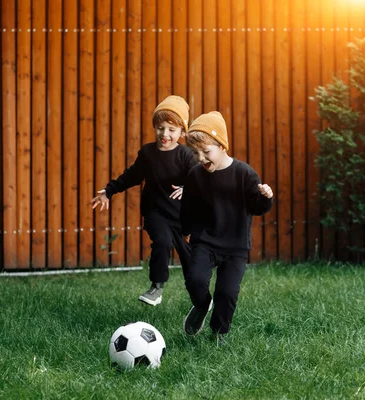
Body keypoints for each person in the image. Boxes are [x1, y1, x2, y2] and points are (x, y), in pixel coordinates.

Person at [90, 95, 197, 306]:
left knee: (190, 259)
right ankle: (156, 288)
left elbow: (199, 179)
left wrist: (188, 188)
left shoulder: (185, 156)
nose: (164, 134)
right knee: (162, 241)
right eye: (160, 127)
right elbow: (132, 176)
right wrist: (108, 191)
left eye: (171, 130)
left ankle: (199, 296)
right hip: (155, 212)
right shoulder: (147, 153)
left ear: (182, 133)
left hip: (182, 216)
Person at [180, 111, 274, 345]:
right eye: (195, 153)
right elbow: (188, 206)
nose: (201, 158)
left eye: (206, 151)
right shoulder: (195, 175)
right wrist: (187, 230)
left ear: (222, 146)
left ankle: (219, 333)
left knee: (227, 292)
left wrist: (266, 197)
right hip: (205, 240)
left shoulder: (244, 174)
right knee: (195, 279)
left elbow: (257, 207)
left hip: (235, 245)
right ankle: (202, 305)